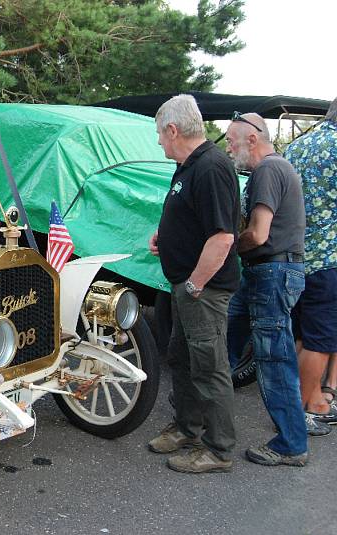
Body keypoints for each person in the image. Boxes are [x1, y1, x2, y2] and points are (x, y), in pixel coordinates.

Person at [147, 94, 239, 473]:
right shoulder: (190, 165)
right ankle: (187, 428)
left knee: (209, 366)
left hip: (202, 290)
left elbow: (223, 237)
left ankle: (218, 450)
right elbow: (192, 218)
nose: (158, 142)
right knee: (182, 359)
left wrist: (195, 285)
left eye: (159, 134)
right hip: (186, 285)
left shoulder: (212, 168)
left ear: (173, 129)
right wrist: (164, 236)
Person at [225, 112, 310, 466]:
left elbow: (259, 233)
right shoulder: (277, 168)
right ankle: (199, 411)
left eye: (231, 142)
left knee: (274, 360)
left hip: (272, 272)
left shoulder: (267, 171)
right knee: (226, 336)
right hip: (270, 271)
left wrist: (226, 246)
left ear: (252, 139)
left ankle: (291, 444)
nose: (228, 149)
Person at [285, 96, 337, 430]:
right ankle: (306, 410)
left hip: (295, 257)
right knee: (319, 340)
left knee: (301, 335)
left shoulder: (298, 146)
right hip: (330, 258)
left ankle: (310, 398)